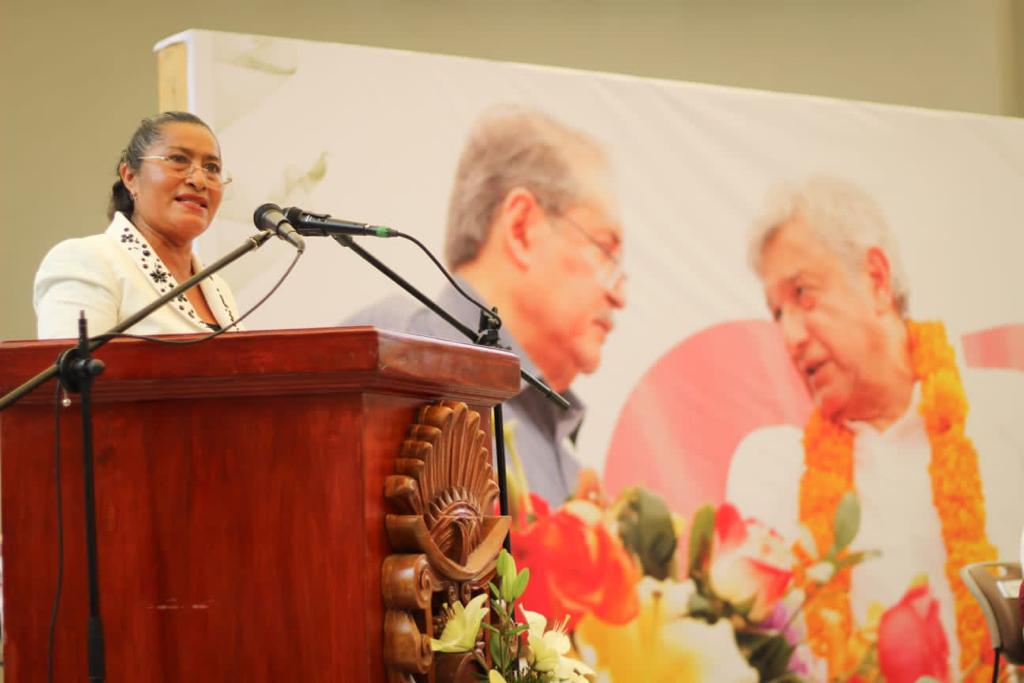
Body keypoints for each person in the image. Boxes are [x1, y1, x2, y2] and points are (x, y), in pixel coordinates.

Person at [726, 177, 1024, 681]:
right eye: (777, 313)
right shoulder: (774, 479)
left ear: (877, 279)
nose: (791, 336)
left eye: (804, 295)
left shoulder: (1010, 417)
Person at [346, 106, 626, 506]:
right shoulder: (393, 351)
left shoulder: (560, 450)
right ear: (521, 228)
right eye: (604, 251)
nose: (620, 296)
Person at [34, 111, 241, 339]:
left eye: (212, 168)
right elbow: (71, 372)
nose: (199, 180)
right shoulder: (86, 261)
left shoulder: (218, 287)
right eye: (179, 160)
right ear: (130, 177)